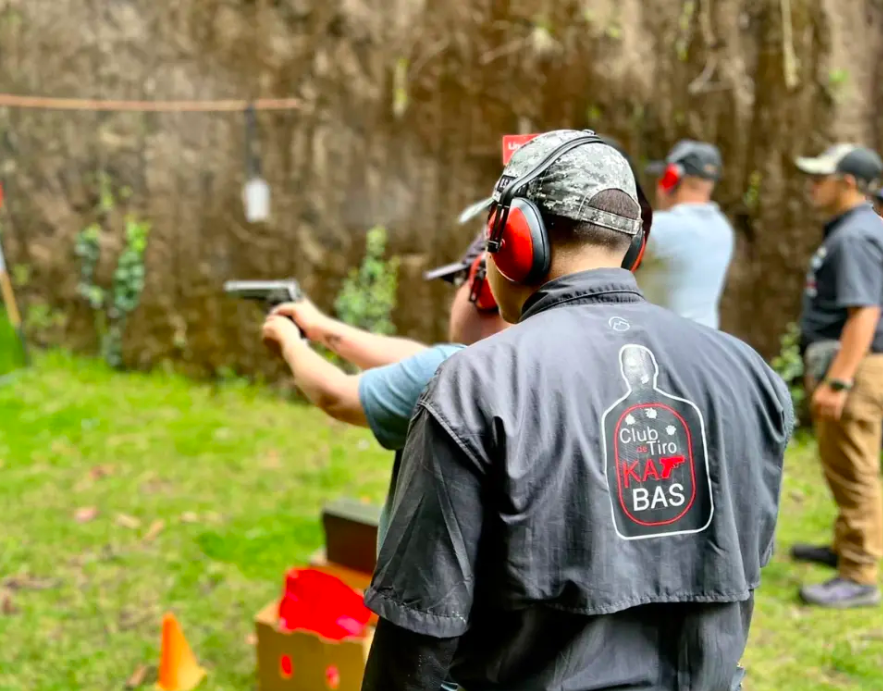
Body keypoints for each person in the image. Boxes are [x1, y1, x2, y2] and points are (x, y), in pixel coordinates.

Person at [360, 129, 794, 691]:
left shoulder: (475, 384)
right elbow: (745, 562)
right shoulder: (753, 374)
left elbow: (417, 629)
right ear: (635, 245)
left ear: (511, 237)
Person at [260, 236, 508, 551]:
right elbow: (416, 359)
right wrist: (322, 327)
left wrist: (289, 340)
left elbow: (333, 394)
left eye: (457, 281)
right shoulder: (524, 367)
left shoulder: (456, 373)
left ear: (482, 284)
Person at [791, 143, 883, 608]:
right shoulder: (855, 229)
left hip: (856, 368)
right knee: (843, 465)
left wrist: (840, 381)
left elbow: (865, 314)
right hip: (851, 363)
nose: (812, 185)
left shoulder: (854, 237)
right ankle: (846, 548)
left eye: (820, 177)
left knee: (856, 470)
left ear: (848, 183)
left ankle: (861, 574)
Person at [634, 139, 735, 329]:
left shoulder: (662, 229)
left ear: (671, 178)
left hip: (661, 349)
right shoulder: (723, 229)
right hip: (705, 348)